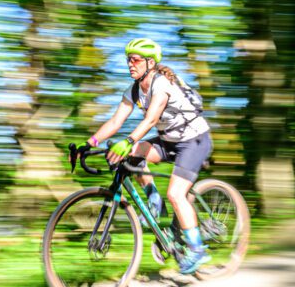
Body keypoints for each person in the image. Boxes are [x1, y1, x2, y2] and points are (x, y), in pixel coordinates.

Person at [85, 38, 213, 274]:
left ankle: (197, 249)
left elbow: (151, 119)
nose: (130, 64)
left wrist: (129, 140)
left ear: (150, 63)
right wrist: (89, 143)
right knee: (131, 156)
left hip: (194, 141)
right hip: (169, 140)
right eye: (128, 60)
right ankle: (154, 201)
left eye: (135, 60)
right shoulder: (134, 89)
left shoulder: (161, 84)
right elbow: (115, 121)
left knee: (176, 193)